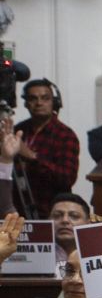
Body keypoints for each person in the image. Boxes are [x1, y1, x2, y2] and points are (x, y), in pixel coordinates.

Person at [14, 78, 80, 217]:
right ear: (26, 103)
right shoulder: (18, 130)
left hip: (49, 212)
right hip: (16, 209)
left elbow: (67, 178)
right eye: (33, 98)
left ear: (54, 102)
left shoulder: (65, 134)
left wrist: (33, 157)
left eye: (45, 98)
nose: (39, 103)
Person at [49, 192, 90, 266]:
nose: (65, 220)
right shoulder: (34, 257)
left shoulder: (99, 255)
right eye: (57, 215)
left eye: (74, 216)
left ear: (88, 224)